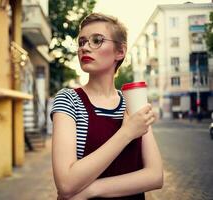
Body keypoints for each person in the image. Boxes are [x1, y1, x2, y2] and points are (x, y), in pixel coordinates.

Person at [51, 13, 163, 200]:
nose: (85, 47)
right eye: (82, 42)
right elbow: (66, 183)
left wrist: (90, 190)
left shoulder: (133, 102)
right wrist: (126, 132)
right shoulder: (69, 100)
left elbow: (155, 176)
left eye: (96, 40)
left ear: (120, 51)